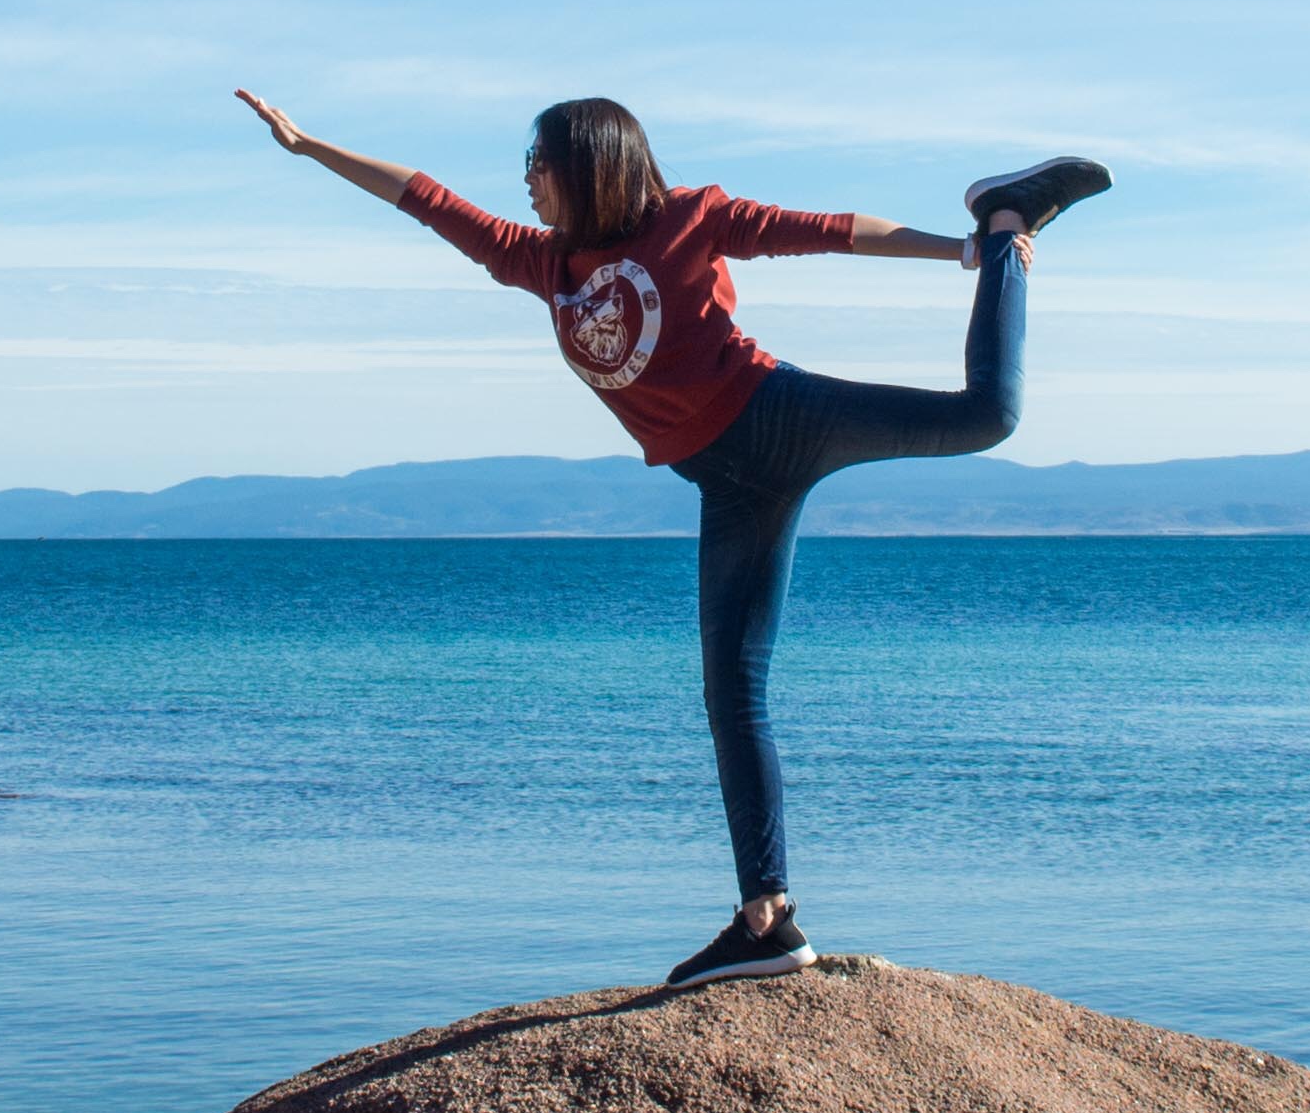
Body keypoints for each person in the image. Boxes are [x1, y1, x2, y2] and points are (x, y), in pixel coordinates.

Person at [234, 88, 1109, 986]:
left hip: (781, 418)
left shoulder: (689, 219)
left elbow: (834, 232)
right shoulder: (543, 262)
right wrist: (310, 147)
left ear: (587, 164)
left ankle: (1006, 217)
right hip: (725, 487)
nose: (526, 182)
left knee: (988, 414)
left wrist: (966, 248)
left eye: (538, 163)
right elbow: (425, 197)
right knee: (731, 692)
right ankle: (767, 918)